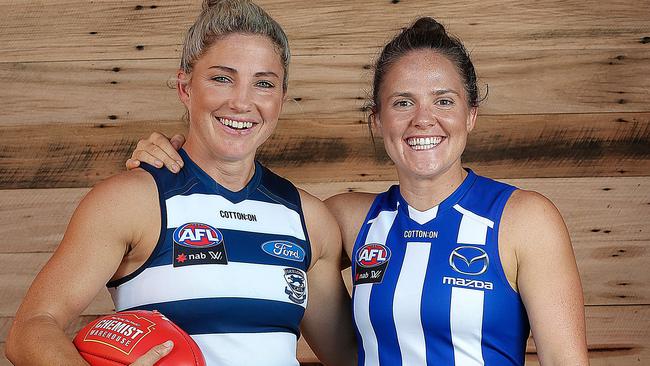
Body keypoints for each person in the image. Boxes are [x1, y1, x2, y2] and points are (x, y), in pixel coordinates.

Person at [128, 16, 590, 366]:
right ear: (378, 119)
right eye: (402, 102)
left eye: (444, 101)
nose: (423, 119)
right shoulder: (348, 220)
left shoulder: (524, 219)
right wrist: (174, 158)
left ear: (470, 116)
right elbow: (240, 212)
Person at [5, 1, 356, 365]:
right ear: (185, 87)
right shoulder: (132, 201)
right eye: (222, 78)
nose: (241, 101)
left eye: (263, 83)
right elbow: (31, 328)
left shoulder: (308, 218)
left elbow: (352, 356)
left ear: (281, 98)